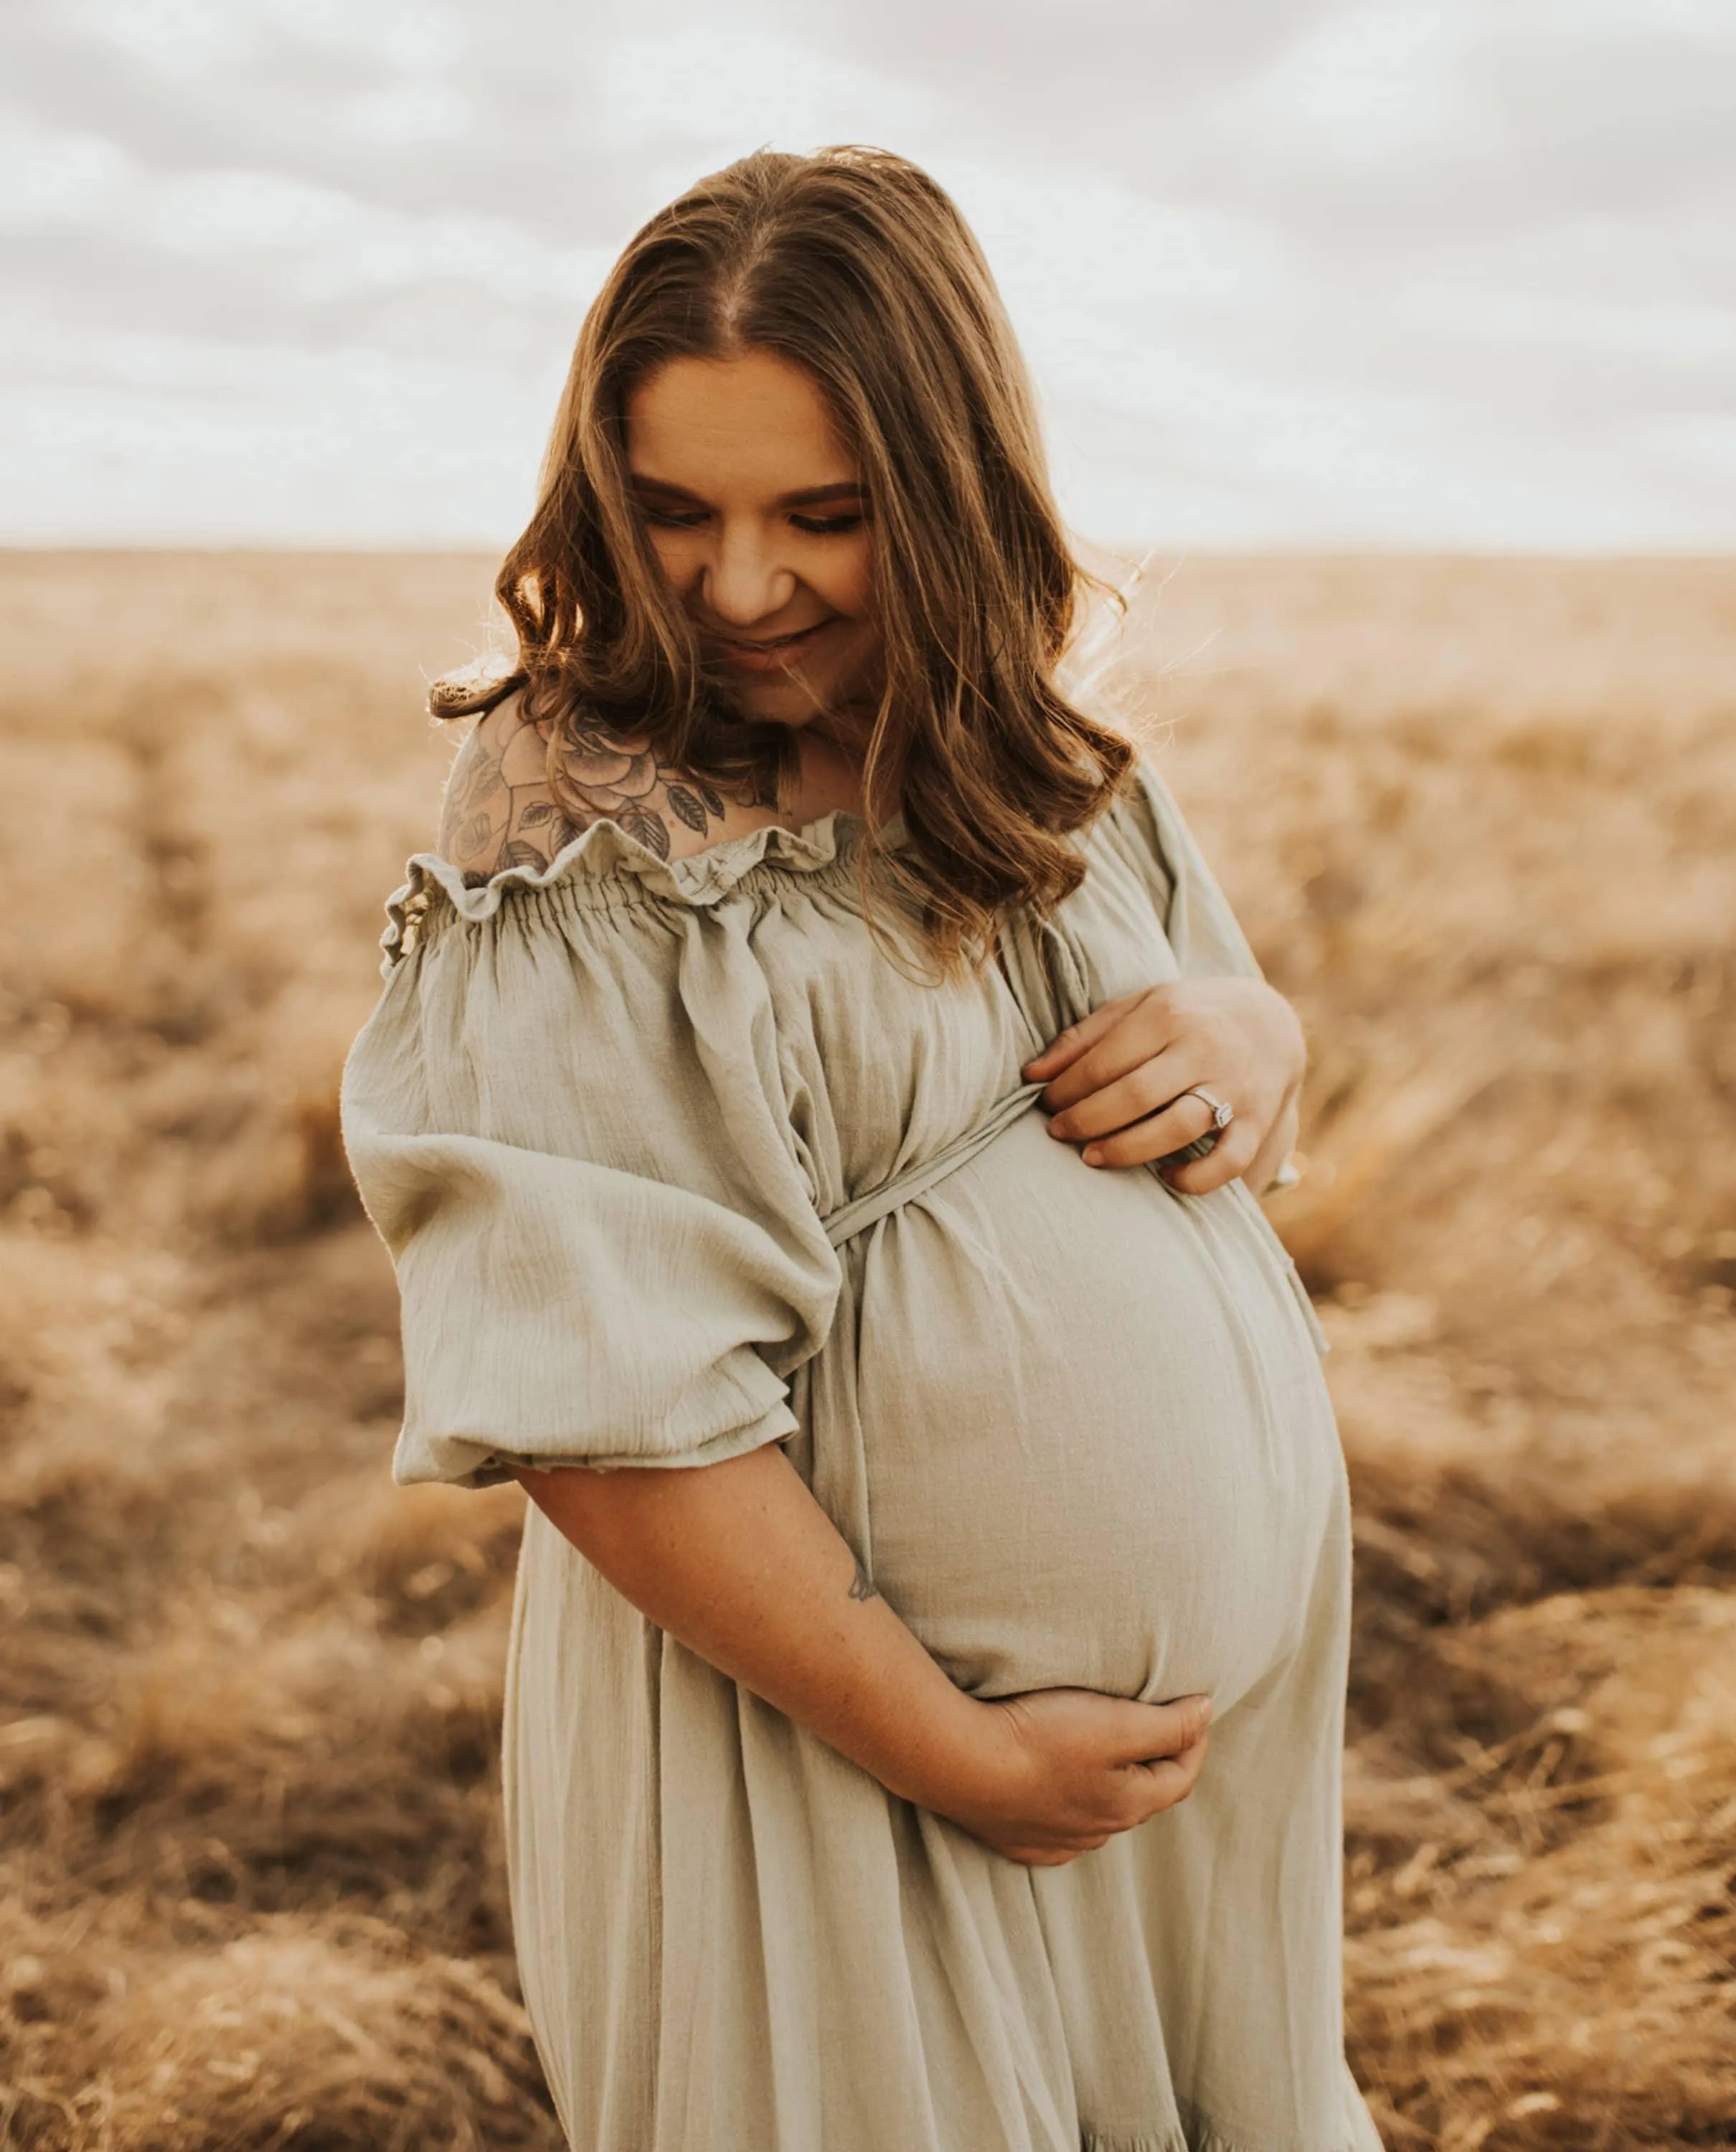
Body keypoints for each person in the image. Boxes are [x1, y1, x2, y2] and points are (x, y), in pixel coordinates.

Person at [341, 145, 1382, 2152]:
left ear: (955, 483)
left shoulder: (1038, 759)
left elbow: (1218, 1045)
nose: (740, 587)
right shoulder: (575, 819)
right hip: (829, 1752)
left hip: (1158, 1800)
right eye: (672, 512)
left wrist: (1263, 1031)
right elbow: (600, 1406)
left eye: (826, 515)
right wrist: (957, 1757)